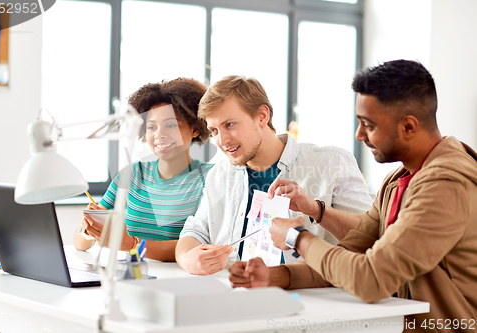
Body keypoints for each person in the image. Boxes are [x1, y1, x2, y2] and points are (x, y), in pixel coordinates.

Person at [229, 60, 477, 330]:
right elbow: (346, 259)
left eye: (368, 125)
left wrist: (295, 237)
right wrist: (276, 276)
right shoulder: (398, 180)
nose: (359, 135)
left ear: (408, 126)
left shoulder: (445, 184)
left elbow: (370, 279)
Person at [176, 75, 373, 275]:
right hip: (236, 292)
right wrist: (187, 259)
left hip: (309, 296)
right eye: (214, 130)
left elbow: (370, 238)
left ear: (262, 116)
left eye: (229, 125)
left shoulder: (332, 163)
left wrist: (315, 209)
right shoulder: (219, 174)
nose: (222, 140)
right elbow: (194, 232)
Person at [74, 78, 214, 261]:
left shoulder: (211, 178)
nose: (159, 134)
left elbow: (200, 246)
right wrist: (89, 226)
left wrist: (133, 245)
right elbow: (79, 243)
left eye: (171, 125)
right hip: (132, 274)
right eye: (151, 127)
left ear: (195, 129)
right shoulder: (132, 175)